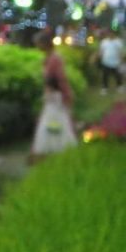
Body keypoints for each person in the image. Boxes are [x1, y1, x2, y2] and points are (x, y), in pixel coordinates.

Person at [30, 30, 77, 159]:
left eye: (38, 43)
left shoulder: (55, 59)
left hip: (56, 96)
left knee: (56, 120)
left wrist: (67, 94)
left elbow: (61, 79)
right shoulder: (48, 59)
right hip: (50, 95)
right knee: (50, 121)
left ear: (45, 44)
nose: (37, 46)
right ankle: (53, 146)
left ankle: (58, 145)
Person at [98, 29, 124, 94]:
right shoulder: (104, 42)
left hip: (116, 62)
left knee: (118, 75)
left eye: (112, 33)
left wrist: (121, 61)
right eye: (109, 33)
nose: (110, 35)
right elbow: (101, 51)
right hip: (106, 62)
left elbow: (120, 52)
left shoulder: (118, 42)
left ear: (114, 34)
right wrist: (100, 57)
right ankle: (104, 88)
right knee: (105, 76)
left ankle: (119, 87)